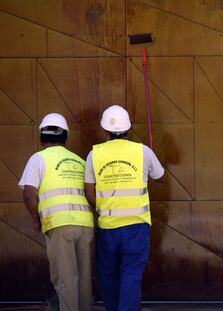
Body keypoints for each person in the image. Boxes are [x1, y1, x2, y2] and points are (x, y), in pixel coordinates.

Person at [84, 105, 164, 311]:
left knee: (108, 275)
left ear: (105, 130)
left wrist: (105, 207)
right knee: (131, 275)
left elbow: (89, 192)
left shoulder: (94, 155)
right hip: (136, 227)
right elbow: (160, 176)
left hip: (108, 227)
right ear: (129, 127)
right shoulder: (143, 151)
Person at [19, 113, 94, 311]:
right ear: (65, 137)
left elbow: (28, 194)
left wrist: (36, 220)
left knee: (66, 278)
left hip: (60, 224)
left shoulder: (38, 159)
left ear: (41, 136)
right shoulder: (79, 161)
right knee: (84, 278)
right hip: (85, 224)